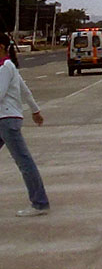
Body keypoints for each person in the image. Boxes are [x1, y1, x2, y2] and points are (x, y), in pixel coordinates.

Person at [0, 33, 50, 216]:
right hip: (6, 119)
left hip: (6, 120)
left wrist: (35, 111)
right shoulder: (9, 66)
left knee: (24, 162)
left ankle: (39, 203)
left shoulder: (5, 67)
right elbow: (25, 91)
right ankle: (39, 201)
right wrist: (35, 111)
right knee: (24, 161)